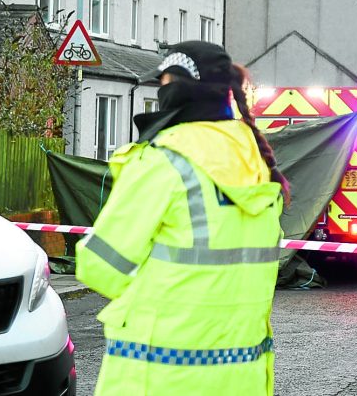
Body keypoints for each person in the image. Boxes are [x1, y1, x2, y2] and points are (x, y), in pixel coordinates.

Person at [76, 41, 289, 396]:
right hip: (242, 378)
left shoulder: (163, 161)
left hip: (160, 374)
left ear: (175, 88)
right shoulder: (259, 166)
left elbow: (100, 265)